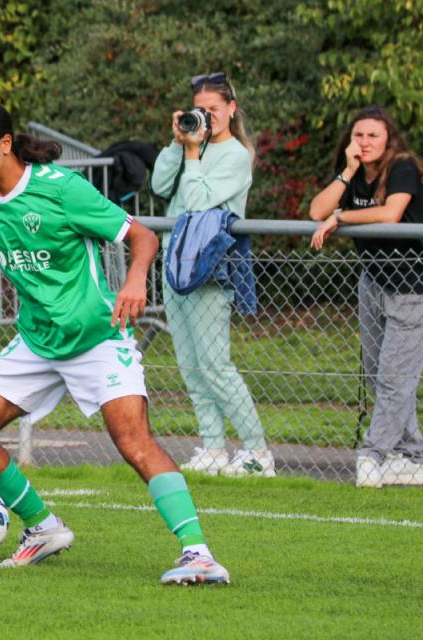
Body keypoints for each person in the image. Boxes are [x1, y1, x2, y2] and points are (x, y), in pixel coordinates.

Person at [0, 99, 230, 585]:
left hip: (97, 337)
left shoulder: (61, 190)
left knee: (133, 441)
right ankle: (43, 528)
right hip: (37, 342)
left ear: (6, 145)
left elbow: (143, 237)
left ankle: (199, 554)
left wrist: (134, 280)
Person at [151, 72, 274, 478]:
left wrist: (192, 154)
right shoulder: (190, 146)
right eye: (199, 111)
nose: (207, 117)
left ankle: (258, 453)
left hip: (210, 266)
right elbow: (158, 184)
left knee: (216, 363)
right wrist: (177, 142)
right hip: (174, 263)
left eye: (214, 110)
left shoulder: (236, 155)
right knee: (190, 364)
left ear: (232, 109)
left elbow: (200, 200)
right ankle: (214, 447)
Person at [308, 105, 423, 488]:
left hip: (412, 286)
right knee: (380, 376)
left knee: (395, 377)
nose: (365, 142)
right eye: (359, 135)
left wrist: (341, 218)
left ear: (388, 138)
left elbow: (391, 214)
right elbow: (316, 210)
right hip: (374, 280)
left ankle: (372, 455)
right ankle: (412, 456)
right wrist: (347, 173)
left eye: (373, 135)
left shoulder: (402, 166)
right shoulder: (355, 174)